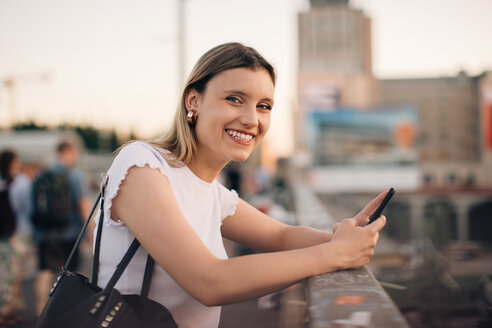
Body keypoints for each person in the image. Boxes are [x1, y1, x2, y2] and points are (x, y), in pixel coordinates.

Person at [96, 42, 387, 328]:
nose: (251, 120)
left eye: (263, 106)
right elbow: (209, 281)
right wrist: (334, 254)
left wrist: (346, 236)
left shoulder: (213, 192)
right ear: (193, 101)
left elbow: (282, 236)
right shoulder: (141, 165)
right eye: (235, 99)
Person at [32, 140, 91, 316]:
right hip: (69, 234)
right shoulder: (74, 176)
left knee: (44, 272)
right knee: (74, 275)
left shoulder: (41, 175)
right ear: (70, 152)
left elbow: (34, 206)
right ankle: (73, 313)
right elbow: (83, 205)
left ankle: (39, 314)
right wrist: (89, 231)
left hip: (45, 234)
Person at [0, 149, 24, 326]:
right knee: (8, 277)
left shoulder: (8, 183)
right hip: (7, 237)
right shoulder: (11, 184)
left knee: (9, 277)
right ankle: (4, 313)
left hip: (7, 236)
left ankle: (7, 312)